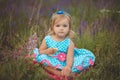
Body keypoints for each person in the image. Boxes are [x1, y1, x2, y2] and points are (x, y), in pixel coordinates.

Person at [33, 10, 95, 80]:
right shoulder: (47, 39)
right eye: (58, 25)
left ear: (69, 28)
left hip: (65, 62)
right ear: (53, 27)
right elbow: (40, 51)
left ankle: (68, 72)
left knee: (84, 58)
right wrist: (47, 51)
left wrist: (68, 67)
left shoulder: (69, 42)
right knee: (42, 59)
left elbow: (70, 57)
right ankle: (57, 73)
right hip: (51, 59)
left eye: (65, 26)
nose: (61, 28)